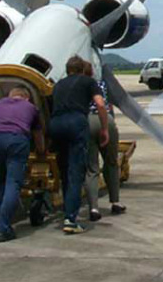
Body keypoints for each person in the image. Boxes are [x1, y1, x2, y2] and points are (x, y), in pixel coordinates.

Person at [49, 55, 109, 234]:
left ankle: (66, 209)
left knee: (64, 170)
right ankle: (71, 219)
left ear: (67, 70)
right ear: (82, 69)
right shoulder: (88, 81)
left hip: (56, 124)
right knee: (76, 171)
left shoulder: (58, 85)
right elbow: (100, 104)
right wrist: (104, 128)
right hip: (76, 122)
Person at [0, 86, 44, 243]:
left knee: (1, 181)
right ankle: (3, 228)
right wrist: (41, 151)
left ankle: (2, 219)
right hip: (17, 140)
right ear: (26, 97)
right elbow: (38, 133)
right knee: (13, 183)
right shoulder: (30, 107)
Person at [82, 61, 125, 222]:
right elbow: (106, 104)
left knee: (91, 168)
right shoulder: (100, 84)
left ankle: (93, 207)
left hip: (86, 122)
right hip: (105, 119)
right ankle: (115, 201)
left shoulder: (76, 86)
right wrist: (106, 126)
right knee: (111, 162)